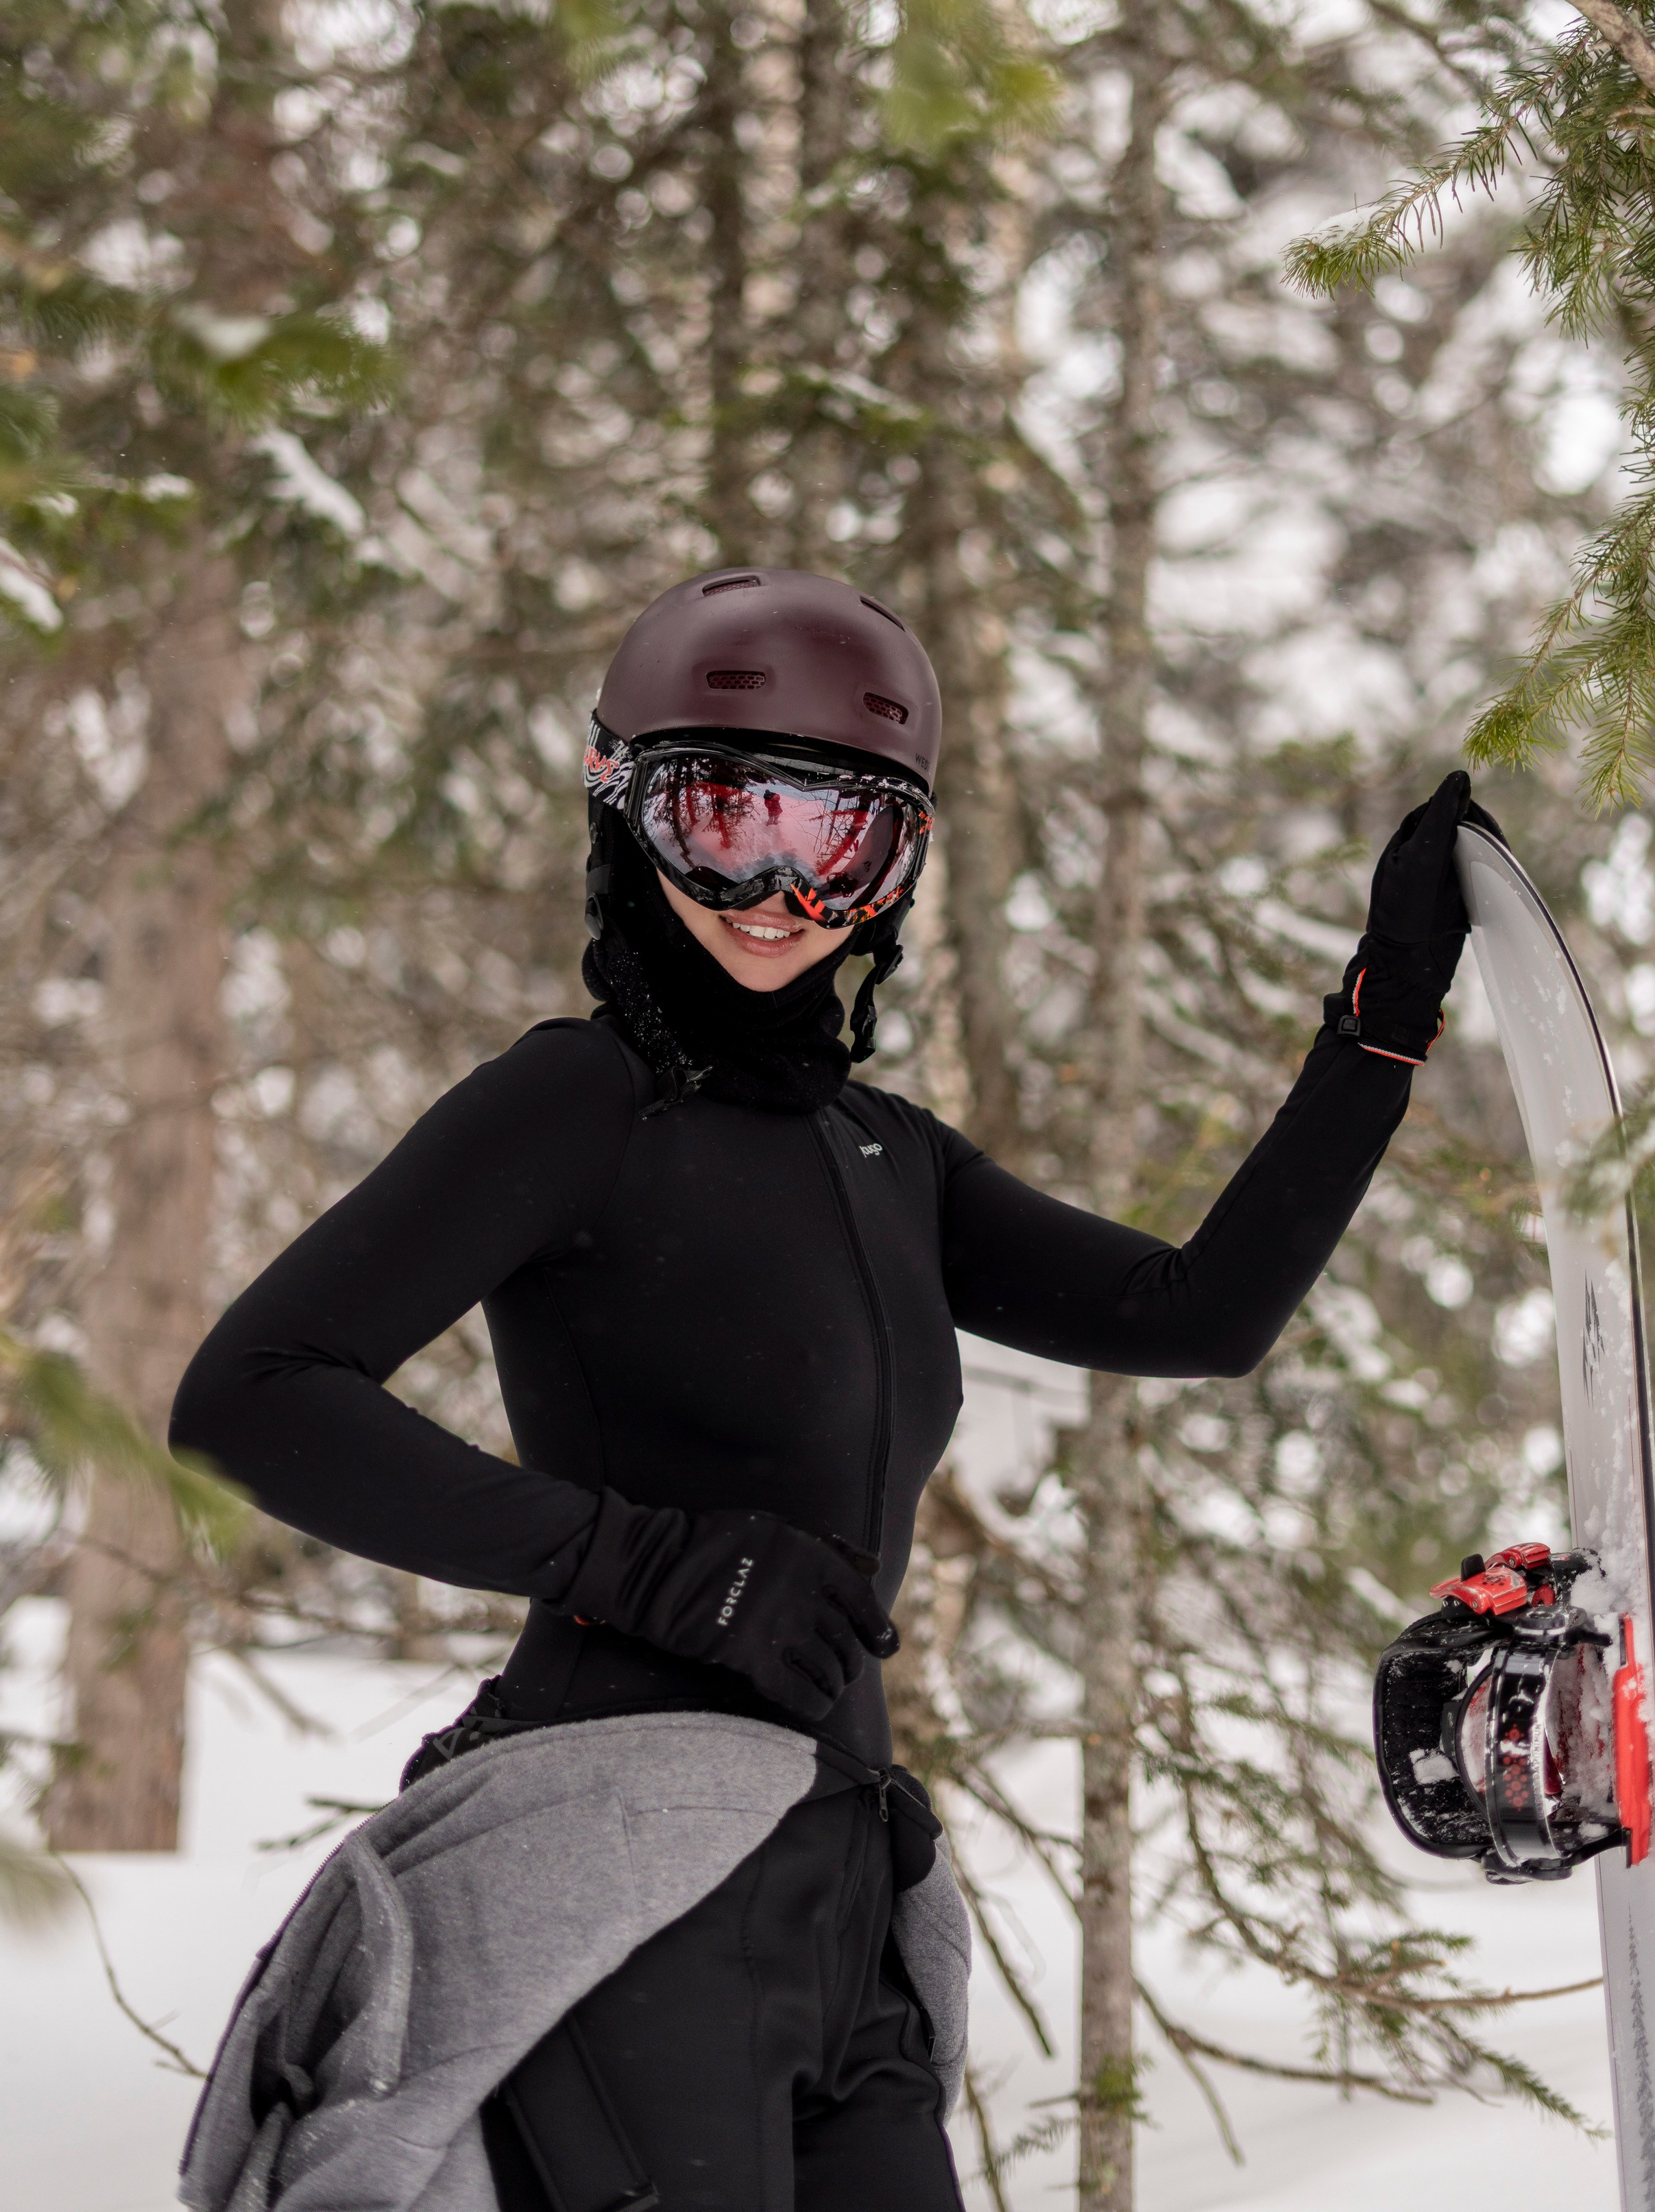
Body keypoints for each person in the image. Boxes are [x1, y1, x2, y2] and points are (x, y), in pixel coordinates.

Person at [170, 566, 1484, 2212]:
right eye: (727, 818)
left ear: (895, 866)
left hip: (840, 1873)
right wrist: (632, 1558)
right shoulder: (576, 1102)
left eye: (840, 840)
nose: (781, 887)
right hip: (623, 1871)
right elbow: (248, 1392)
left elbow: (1196, 1313)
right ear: (626, 811)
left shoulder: (888, 1157)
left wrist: (1378, 1024)